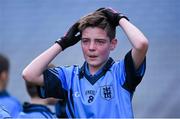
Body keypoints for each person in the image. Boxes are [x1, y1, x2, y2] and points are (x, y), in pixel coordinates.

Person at [22, 7, 148, 118]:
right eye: (85, 41)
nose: (91, 47)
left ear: (113, 44)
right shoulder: (69, 77)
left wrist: (119, 18)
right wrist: (62, 43)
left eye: (100, 41)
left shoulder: (121, 72)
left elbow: (141, 44)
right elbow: (29, 74)